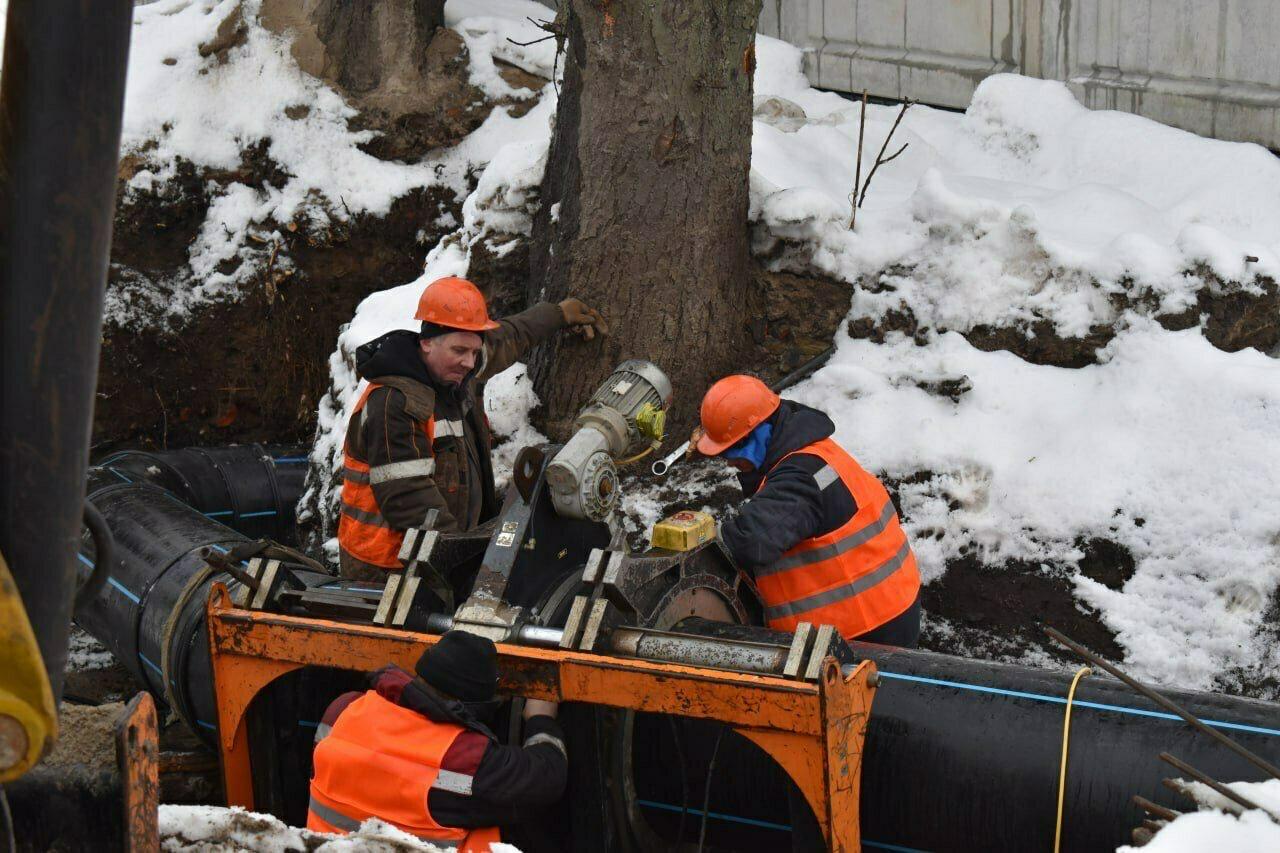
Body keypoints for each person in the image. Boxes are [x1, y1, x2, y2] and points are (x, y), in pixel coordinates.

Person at [338, 276, 605, 580]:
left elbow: (508, 338)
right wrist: (466, 561)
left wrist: (557, 315)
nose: (469, 362)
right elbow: (409, 499)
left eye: (474, 353)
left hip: (438, 556)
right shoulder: (395, 402)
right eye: (460, 351)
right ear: (426, 343)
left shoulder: (453, 370)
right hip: (388, 569)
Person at [692, 375, 921, 648]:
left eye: (732, 451)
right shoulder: (814, 456)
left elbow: (752, 540)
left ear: (758, 431)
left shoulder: (801, 478)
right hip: (890, 606)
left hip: (863, 631)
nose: (730, 462)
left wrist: (703, 539)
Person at [308, 630, 566, 850]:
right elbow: (546, 776)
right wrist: (540, 718)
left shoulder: (344, 709)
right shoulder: (459, 757)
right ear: (471, 707)